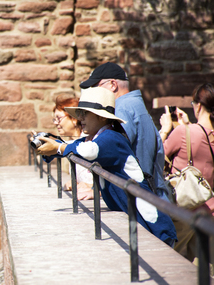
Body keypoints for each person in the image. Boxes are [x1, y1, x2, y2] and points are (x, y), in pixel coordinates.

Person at [36, 87, 177, 246]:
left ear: (102, 117)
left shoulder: (111, 137)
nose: (80, 118)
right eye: (80, 113)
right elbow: (73, 146)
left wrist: (57, 148)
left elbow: (89, 151)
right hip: (136, 219)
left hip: (152, 225)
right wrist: (49, 148)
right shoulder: (96, 137)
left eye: (85, 113)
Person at [79, 62, 171, 202]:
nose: (93, 92)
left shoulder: (122, 108)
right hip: (150, 195)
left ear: (113, 85)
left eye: (96, 87)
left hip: (142, 199)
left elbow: (115, 153)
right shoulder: (132, 105)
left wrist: (97, 191)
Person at [159, 82, 214, 262]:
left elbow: (156, 156)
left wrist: (166, 129)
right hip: (210, 213)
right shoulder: (191, 131)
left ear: (198, 106)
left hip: (184, 211)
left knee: (174, 266)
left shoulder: (184, 132)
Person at [51, 95, 93, 200]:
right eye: (54, 119)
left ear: (74, 119)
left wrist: (93, 187)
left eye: (59, 118)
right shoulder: (73, 143)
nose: (56, 123)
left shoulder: (90, 141)